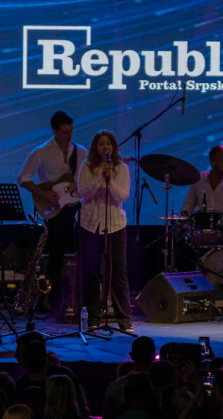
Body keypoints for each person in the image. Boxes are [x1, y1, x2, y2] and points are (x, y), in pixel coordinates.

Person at [18, 110, 87, 315]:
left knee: (83, 251)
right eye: (64, 132)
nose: (69, 135)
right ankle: (55, 302)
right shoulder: (41, 152)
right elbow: (23, 178)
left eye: (71, 131)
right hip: (56, 211)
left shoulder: (81, 152)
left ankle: (79, 301)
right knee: (56, 255)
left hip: (77, 207)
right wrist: (44, 194)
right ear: (54, 131)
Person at [77, 130, 133, 331]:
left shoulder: (122, 168)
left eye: (108, 143)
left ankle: (124, 319)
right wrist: (100, 179)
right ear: (95, 147)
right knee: (91, 271)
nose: (105, 146)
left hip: (115, 225)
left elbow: (122, 196)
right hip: (89, 225)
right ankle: (93, 318)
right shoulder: (87, 167)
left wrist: (109, 182)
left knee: (118, 271)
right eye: (101, 143)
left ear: (113, 147)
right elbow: (83, 193)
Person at [181, 145, 223, 217]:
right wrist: (184, 215)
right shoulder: (199, 179)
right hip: (202, 224)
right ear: (213, 163)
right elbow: (188, 204)